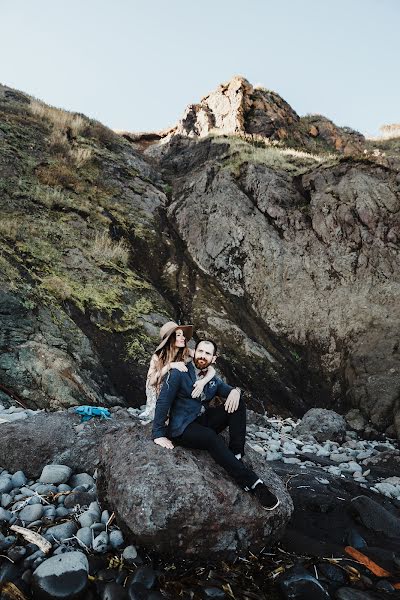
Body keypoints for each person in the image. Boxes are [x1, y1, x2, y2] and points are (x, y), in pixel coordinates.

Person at [152, 338, 280, 510]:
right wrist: (158, 434)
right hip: (182, 428)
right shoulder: (179, 372)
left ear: (214, 359)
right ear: (194, 352)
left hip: (201, 421)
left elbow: (230, 391)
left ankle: (235, 453)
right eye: (200, 351)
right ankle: (255, 484)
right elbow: (163, 401)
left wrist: (236, 391)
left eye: (207, 353)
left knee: (237, 403)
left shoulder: (213, 379)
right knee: (212, 438)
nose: (203, 356)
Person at [139, 321, 216, 422]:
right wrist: (170, 366)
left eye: (183, 335)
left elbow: (211, 369)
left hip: (178, 397)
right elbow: (151, 381)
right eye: (179, 335)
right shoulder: (157, 357)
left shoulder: (187, 352)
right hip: (159, 398)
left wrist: (202, 382)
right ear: (170, 338)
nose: (183, 337)